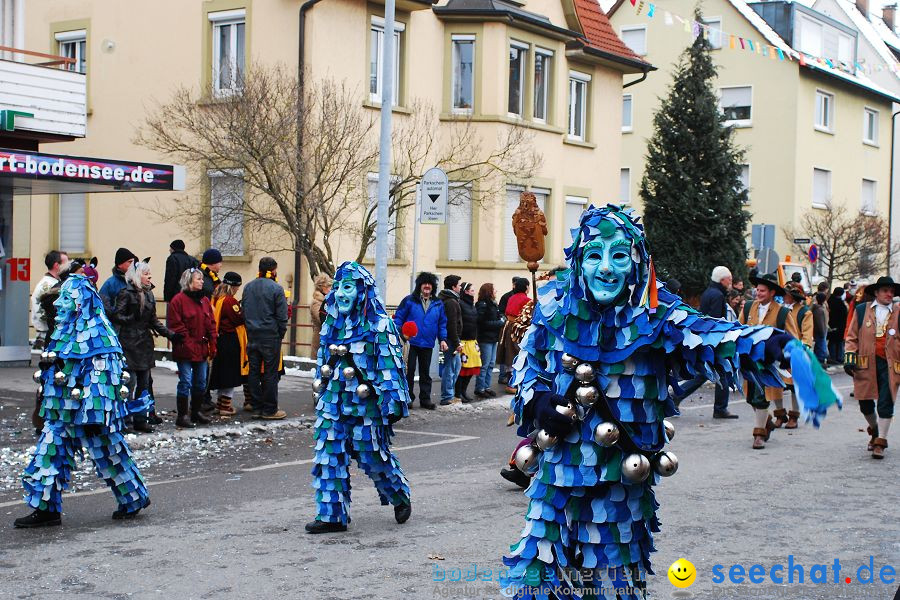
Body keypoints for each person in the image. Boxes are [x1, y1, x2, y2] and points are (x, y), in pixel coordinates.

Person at [499, 205, 825, 598]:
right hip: (555, 484)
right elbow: (528, 367)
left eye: (618, 255)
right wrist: (537, 402)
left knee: (611, 587)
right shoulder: (553, 310)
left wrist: (772, 345)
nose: (605, 268)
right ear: (579, 261)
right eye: (594, 256)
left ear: (636, 262)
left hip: (620, 489)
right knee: (537, 583)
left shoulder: (658, 317)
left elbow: (713, 337)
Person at [15, 272, 150, 528]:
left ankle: (133, 499)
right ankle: (46, 509)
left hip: (91, 413)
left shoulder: (99, 333)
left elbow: (103, 375)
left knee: (111, 456)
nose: (58, 304)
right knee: (48, 457)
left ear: (80, 302)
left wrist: (95, 414)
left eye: (65, 298)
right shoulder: (64, 330)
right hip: (62, 412)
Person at [305, 262, 412, 533]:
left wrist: (394, 401)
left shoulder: (379, 324)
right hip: (333, 400)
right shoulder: (332, 322)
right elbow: (322, 358)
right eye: (338, 287)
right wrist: (319, 389)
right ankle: (332, 515)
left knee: (370, 454)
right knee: (329, 453)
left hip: (366, 403)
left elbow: (391, 365)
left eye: (348, 287)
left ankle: (398, 494)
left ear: (362, 291)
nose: (340, 293)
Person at [114, 262, 178, 433]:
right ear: (136, 275)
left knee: (144, 384)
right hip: (128, 343)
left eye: (150, 273)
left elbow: (153, 321)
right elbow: (117, 315)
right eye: (146, 273)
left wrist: (170, 334)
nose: (149, 276)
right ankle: (125, 419)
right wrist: (130, 318)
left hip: (144, 344)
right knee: (129, 383)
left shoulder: (149, 295)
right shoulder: (126, 293)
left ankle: (141, 419)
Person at [739, 273, 798, 448]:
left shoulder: (783, 312)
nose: (759, 293)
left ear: (772, 293)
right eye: (757, 290)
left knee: (761, 397)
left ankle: (759, 435)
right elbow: (739, 329)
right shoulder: (749, 307)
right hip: (749, 359)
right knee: (751, 398)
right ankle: (768, 421)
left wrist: (788, 358)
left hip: (769, 363)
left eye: (763, 290)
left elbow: (792, 338)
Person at [845, 276, 900, 459]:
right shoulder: (862, 310)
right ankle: (875, 429)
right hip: (866, 363)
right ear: (876, 293)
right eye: (885, 291)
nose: (889, 294)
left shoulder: (899, 312)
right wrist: (850, 357)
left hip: (890, 364)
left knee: (886, 402)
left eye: (891, 291)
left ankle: (880, 442)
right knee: (865, 403)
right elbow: (852, 336)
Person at [675, 266, 738, 418]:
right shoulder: (718, 295)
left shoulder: (709, 292)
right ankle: (720, 408)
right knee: (721, 372)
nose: (731, 282)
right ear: (722, 279)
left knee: (704, 374)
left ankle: (677, 396)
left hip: (707, 339)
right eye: (729, 279)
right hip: (715, 341)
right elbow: (716, 320)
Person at [167, 268, 217, 428]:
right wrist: (189, 344)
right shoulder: (178, 301)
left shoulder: (204, 301)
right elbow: (176, 325)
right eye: (198, 279)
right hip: (185, 349)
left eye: (202, 279)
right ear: (189, 281)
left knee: (201, 382)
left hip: (201, 349)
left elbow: (211, 324)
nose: (202, 282)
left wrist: (213, 343)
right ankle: (182, 415)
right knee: (185, 381)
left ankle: (195, 412)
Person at [392, 272, 448, 410]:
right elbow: (398, 318)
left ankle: (425, 399)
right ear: (420, 285)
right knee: (408, 371)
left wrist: (443, 339)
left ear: (433, 287)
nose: (427, 286)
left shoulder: (438, 303)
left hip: (428, 343)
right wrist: (400, 334)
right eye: (424, 283)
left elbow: (442, 323)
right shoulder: (409, 300)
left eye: (429, 284)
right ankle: (408, 398)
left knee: (425, 373)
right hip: (410, 343)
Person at [242, 257, 289, 420]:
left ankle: (256, 406)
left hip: (252, 334)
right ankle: (270, 409)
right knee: (270, 373)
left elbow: (244, 311)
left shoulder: (248, 287)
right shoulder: (276, 288)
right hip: (270, 335)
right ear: (273, 270)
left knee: (253, 371)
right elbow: (282, 316)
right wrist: (280, 333)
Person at [209, 272, 248, 416]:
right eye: (237, 287)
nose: (238, 290)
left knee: (222, 373)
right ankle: (225, 406)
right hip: (229, 340)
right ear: (232, 286)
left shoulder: (216, 298)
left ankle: (220, 404)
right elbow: (239, 319)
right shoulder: (229, 301)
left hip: (220, 339)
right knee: (229, 375)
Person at [497, 277, 530, 394]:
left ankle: (510, 381)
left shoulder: (511, 297)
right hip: (518, 328)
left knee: (509, 354)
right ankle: (513, 383)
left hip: (508, 327)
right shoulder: (527, 300)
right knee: (517, 355)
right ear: (526, 287)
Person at [30, 250, 69, 347]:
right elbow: (44, 314)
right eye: (66, 263)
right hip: (47, 335)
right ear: (57, 265)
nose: (69, 266)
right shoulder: (48, 286)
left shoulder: (54, 283)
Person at [474, 283, 504, 398]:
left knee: (491, 364)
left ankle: (486, 386)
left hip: (492, 337)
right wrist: (499, 323)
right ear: (489, 291)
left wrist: (500, 319)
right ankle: (480, 388)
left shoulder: (493, 304)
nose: (496, 291)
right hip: (485, 338)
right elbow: (481, 323)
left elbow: (498, 316)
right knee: (484, 364)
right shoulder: (482, 305)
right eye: (494, 289)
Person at [438, 275, 463, 406]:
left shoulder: (451, 300)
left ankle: (449, 394)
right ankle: (447, 396)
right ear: (453, 287)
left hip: (452, 339)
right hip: (451, 340)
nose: (460, 287)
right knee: (450, 368)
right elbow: (452, 324)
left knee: (456, 366)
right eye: (459, 285)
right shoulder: (451, 302)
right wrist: (457, 341)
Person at [455, 282, 482, 403]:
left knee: (472, 367)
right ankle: (458, 392)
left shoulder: (472, 305)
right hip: (463, 341)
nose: (473, 292)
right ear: (466, 291)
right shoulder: (460, 303)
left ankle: (464, 391)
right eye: (471, 290)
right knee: (463, 369)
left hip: (472, 340)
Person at [99, 247, 138, 316]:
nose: (133, 265)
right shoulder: (109, 284)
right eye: (130, 262)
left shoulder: (136, 282)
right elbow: (103, 307)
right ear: (120, 264)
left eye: (133, 262)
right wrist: (119, 316)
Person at [309, 273, 332, 359]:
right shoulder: (316, 302)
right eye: (328, 286)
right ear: (322, 287)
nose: (330, 289)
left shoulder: (327, 300)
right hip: (319, 336)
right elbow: (321, 319)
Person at [827, 287, 848, 364]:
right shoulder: (840, 303)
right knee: (839, 342)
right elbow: (844, 314)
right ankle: (839, 357)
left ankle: (833, 357)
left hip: (831, 324)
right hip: (840, 325)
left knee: (832, 341)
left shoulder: (829, 300)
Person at [811, 292, 829, 366]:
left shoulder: (818, 308)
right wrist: (822, 332)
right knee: (821, 346)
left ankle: (818, 360)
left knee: (819, 346)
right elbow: (820, 322)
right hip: (820, 331)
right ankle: (820, 361)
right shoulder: (819, 310)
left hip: (820, 330)